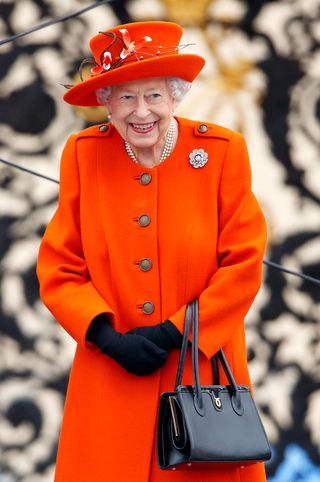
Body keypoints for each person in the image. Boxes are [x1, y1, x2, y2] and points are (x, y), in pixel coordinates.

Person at [37, 20, 268, 482]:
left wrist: (173, 333)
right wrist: (104, 336)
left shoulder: (221, 152)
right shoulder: (83, 155)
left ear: (175, 95)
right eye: (125, 96)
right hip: (110, 376)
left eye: (154, 95)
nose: (141, 111)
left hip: (199, 379)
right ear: (106, 102)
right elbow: (60, 265)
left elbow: (243, 263)